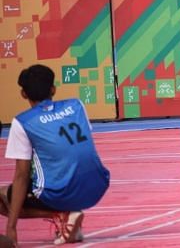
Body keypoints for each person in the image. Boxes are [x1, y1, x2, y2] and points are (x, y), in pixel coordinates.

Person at [1, 65, 109, 246]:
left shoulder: (23, 122)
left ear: (23, 94)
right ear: (53, 89)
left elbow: (21, 175)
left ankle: (62, 215)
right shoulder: (76, 105)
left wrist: (11, 227)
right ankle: (69, 219)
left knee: (5, 196)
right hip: (98, 185)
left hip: (62, 192)